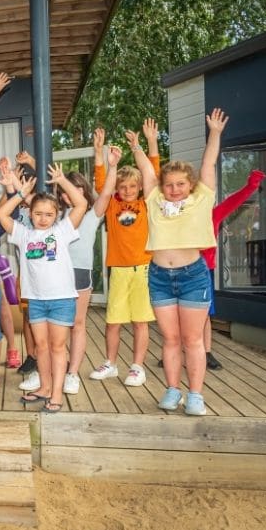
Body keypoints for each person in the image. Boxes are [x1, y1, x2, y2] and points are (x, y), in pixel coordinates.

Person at [136, 109, 229, 415]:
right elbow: (148, 174)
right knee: (171, 338)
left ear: (190, 185)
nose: (174, 189)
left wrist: (214, 132)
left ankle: (196, 395)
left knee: (192, 340)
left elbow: (208, 164)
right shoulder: (155, 201)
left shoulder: (201, 199)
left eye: (180, 184)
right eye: (169, 184)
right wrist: (145, 144)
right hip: (160, 275)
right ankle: (173, 389)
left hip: (193, 276)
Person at [0, 165, 88, 413]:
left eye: (49, 214)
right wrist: (19, 193)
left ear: (56, 214)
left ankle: (56, 393)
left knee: (58, 347)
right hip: (35, 299)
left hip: (61, 299)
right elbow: (2, 215)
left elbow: (80, 204)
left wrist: (61, 181)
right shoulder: (24, 234)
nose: (43, 218)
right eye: (38, 213)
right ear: (31, 213)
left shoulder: (62, 232)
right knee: (41, 348)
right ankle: (45, 387)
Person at [89, 123, 159, 387]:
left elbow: (152, 172)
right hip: (118, 269)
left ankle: (137, 367)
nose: (128, 190)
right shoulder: (112, 205)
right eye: (124, 186)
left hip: (142, 268)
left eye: (132, 186)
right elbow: (101, 182)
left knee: (141, 321)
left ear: (139, 188)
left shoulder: (146, 203)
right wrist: (99, 154)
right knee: (113, 320)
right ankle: (111, 363)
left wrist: (145, 144)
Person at [198, 169, 266, 370]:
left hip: (204, 272)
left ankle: (207, 352)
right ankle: (174, 352)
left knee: (204, 315)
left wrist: (252, 186)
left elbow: (234, 201)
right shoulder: (181, 216)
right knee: (178, 314)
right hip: (181, 270)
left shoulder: (214, 214)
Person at [59, 157, 115, 394]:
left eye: (79, 188)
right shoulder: (58, 215)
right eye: (69, 189)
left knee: (77, 324)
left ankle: (73, 373)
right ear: (62, 195)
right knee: (58, 325)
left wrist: (112, 166)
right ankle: (55, 369)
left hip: (81, 274)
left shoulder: (93, 215)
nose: (74, 193)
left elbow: (107, 193)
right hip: (57, 274)